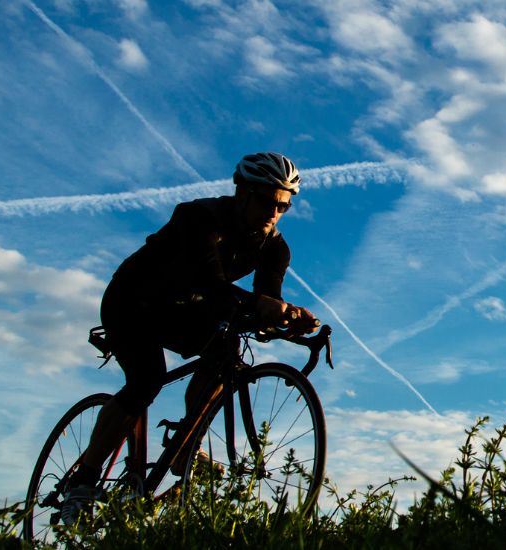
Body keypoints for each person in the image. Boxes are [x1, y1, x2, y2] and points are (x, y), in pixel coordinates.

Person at [62, 152, 318, 521]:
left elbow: (267, 296)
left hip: (187, 307)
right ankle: (84, 481)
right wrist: (263, 305)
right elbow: (209, 282)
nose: (274, 212)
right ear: (242, 193)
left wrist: (287, 318)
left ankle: (185, 445)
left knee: (226, 349)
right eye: (267, 201)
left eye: (284, 206)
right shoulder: (198, 217)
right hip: (133, 301)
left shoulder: (275, 248)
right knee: (146, 379)